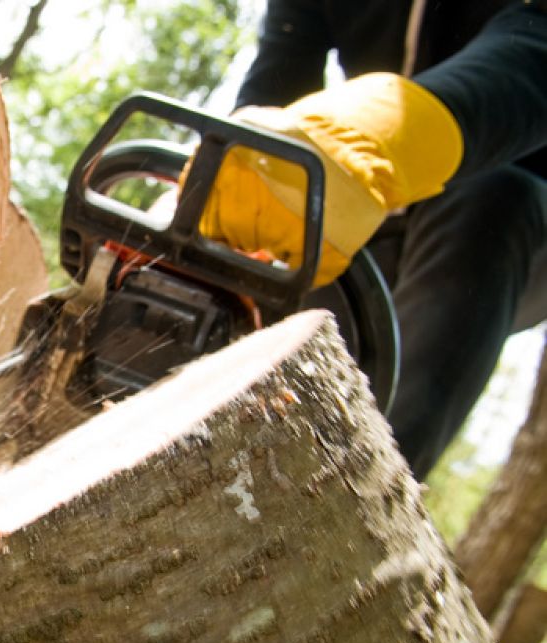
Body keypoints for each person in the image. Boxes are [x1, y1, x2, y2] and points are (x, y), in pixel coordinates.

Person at [200, 0, 547, 478]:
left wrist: (395, 129)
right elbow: (277, 79)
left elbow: (535, 43)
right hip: (366, 216)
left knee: (495, 198)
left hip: (513, 217)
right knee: (293, 274)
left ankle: (368, 490)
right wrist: (229, 177)